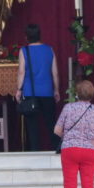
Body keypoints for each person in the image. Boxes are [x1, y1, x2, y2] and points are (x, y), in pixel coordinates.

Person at [15, 23, 60, 152]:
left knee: (32, 127)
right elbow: (55, 73)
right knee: (51, 123)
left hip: (30, 93)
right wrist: (56, 90)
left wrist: (19, 90)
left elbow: (21, 72)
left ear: (26, 37)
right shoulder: (49, 49)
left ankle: (35, 152)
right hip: (47, 91)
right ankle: (57, 151)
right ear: (40, 35)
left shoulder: (24, 50)